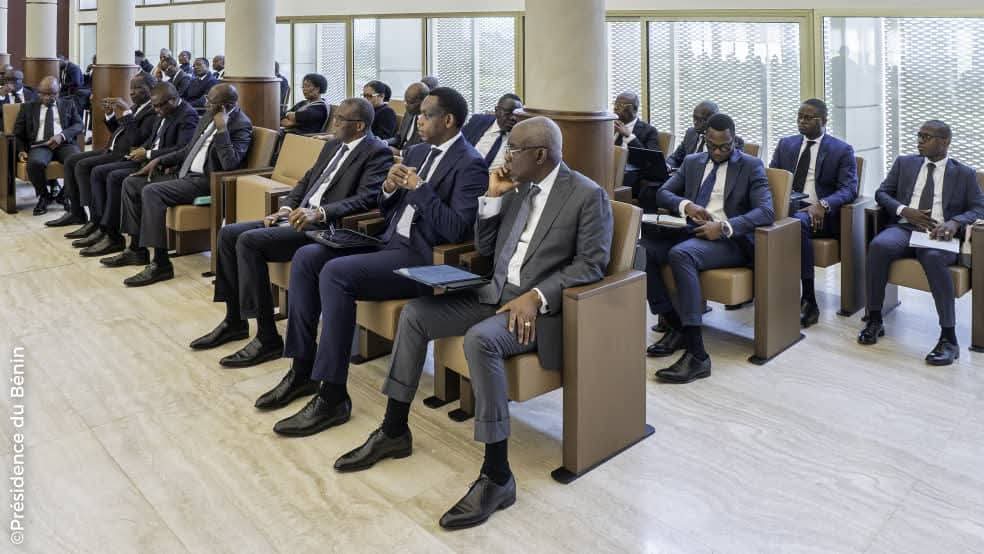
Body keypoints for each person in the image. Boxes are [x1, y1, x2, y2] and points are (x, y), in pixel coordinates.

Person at [334, 116, 613, 530]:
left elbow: (592, 264)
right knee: (415, 314)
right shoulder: (516, 187)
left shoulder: (587, 195)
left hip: (538, 312)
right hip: (491, 294)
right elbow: (485, 247)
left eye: (513, 150)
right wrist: (492, 199)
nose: (505, 157)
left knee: (481, 340)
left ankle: (497, 476)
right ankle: (394, 430)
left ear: (540, 154)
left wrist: (537, 296)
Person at [254, 87, 488, 434]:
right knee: (307, 256)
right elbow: (387, 208)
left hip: (421, 259)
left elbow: (455, 228)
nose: (418, 121)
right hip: (385, 242)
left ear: (449, 120)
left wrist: (419, 188)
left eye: (426, 115)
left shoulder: (471, 164)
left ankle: (333, 396)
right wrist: (390, 189)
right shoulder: (418, 150)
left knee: (335, 273)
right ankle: (302, 370)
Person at [190, 97, 393, 368]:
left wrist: (320, 213)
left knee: (249, 242)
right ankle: (234, 321)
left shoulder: (376, 151)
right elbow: (306, 181)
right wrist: (285, 209)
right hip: (298, 218)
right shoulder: (333, 145)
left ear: (359, 126)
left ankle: (267, 338)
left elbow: (366, 198)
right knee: (229, 234)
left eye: (340, 119)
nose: (334, 123)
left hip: (326, 227)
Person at [642, 113, 773, 383]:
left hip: (730, 241)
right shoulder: (693, 162)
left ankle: (697, 355)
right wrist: (686, 205)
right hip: (690, 230)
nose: (718, 152)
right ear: (706, 139)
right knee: (642, 250)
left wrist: (724, 227)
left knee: (682, 254)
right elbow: (663, 193)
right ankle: (675, 324)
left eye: (725, 146)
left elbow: (766, 211)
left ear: (734, 140)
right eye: (713, 146)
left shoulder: (751, 166)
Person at [859, 120, 984, 366]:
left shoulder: (964, 173)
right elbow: (882, 193)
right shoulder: (905, 163)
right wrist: (905, 210)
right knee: (879, 246)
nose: (919, 141)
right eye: (919, 135)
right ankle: (874, 319)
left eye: (926, 137)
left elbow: (979, 207)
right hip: (905, 228)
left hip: (939, 234)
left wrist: (954, 223)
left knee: (933, 257)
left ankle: (948, 338)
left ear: (945, 142)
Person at [119, 83, 253, 286]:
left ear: (225, 106)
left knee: (152, 192)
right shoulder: (207, 116)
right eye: (207, 99)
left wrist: (222, 129)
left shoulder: (241, 124)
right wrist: (159, 160)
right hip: (184, 174)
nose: (206, 105)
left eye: (211, 102)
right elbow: (188, 150)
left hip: (207, 182)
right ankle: (136, 250)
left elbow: (230, 164)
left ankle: (161, 264)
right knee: (131, 183)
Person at [768, 99, 858, 327]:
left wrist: (823, 204)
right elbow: (772, 178)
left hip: (819, 214)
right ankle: (754, 290)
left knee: (796, 223)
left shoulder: (841, 150)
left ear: (824, 120)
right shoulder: (786, 144)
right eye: (799, 116)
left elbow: (849, 189)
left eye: (808, 118)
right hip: (787, 207)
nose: (802, 121)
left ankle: (808, 299)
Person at [96, 83, 200, 264]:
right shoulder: (162, 112)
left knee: (124, 180)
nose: (156, 110)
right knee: (123, 180)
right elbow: (153, 140)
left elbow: (182, 148)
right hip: (150, 160)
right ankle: (131, 245)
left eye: (159, 106)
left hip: (168, 167)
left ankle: (135, 247)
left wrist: (150, 154)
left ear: (173, 100)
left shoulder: (187, 115)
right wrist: (142, 151)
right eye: (154, 105)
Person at [46, 73, 157, 230]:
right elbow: (119, 132)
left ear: (151, 89)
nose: (132, 92)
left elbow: (135, 140)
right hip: (111, 149)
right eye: (131, 88)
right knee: (71, 161)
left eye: (138, 88)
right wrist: (110, 114)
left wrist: (126, 112)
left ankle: (95, 218)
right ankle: (76, 212)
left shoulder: (153, 111)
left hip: (122, 155)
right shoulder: (136, 107)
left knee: (83, 166)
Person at [13, 77, 84, 216]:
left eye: (52, 94)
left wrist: (62, 135)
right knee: (35, 163)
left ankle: (64, 195)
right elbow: (18, 132)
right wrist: (21, 150)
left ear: (58, 92)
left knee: (77, 161)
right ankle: (44, 196)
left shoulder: (68, 104)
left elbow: (79, 124)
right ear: (38, 92)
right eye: (43, 93)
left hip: (64, 143)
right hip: (40, 144)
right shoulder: (28, 107)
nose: (47, 97)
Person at [665, 101, 745, 169]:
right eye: (694, 118)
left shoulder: (733, 141)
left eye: (699, 120)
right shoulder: (691, 133)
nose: (695, 122)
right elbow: (675, 158)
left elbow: (732, 169)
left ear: (712, 119)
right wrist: (668, 166)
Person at [462, 93, 523, 170]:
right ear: (497, 111)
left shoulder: (522, 137)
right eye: (508, 113)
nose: (513, 118)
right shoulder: (478, 122)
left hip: (496, 176)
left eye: (517, 114)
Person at [387, 82, 428, 155]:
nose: (405, 105)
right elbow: (398, 138)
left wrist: (399, 153)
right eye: (405, 101)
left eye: (410, 102)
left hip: (411, 157)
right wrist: (384, 142)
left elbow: (424, 149)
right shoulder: (409, 113)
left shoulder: (430, 120)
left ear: (423, 101)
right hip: (398, 151)